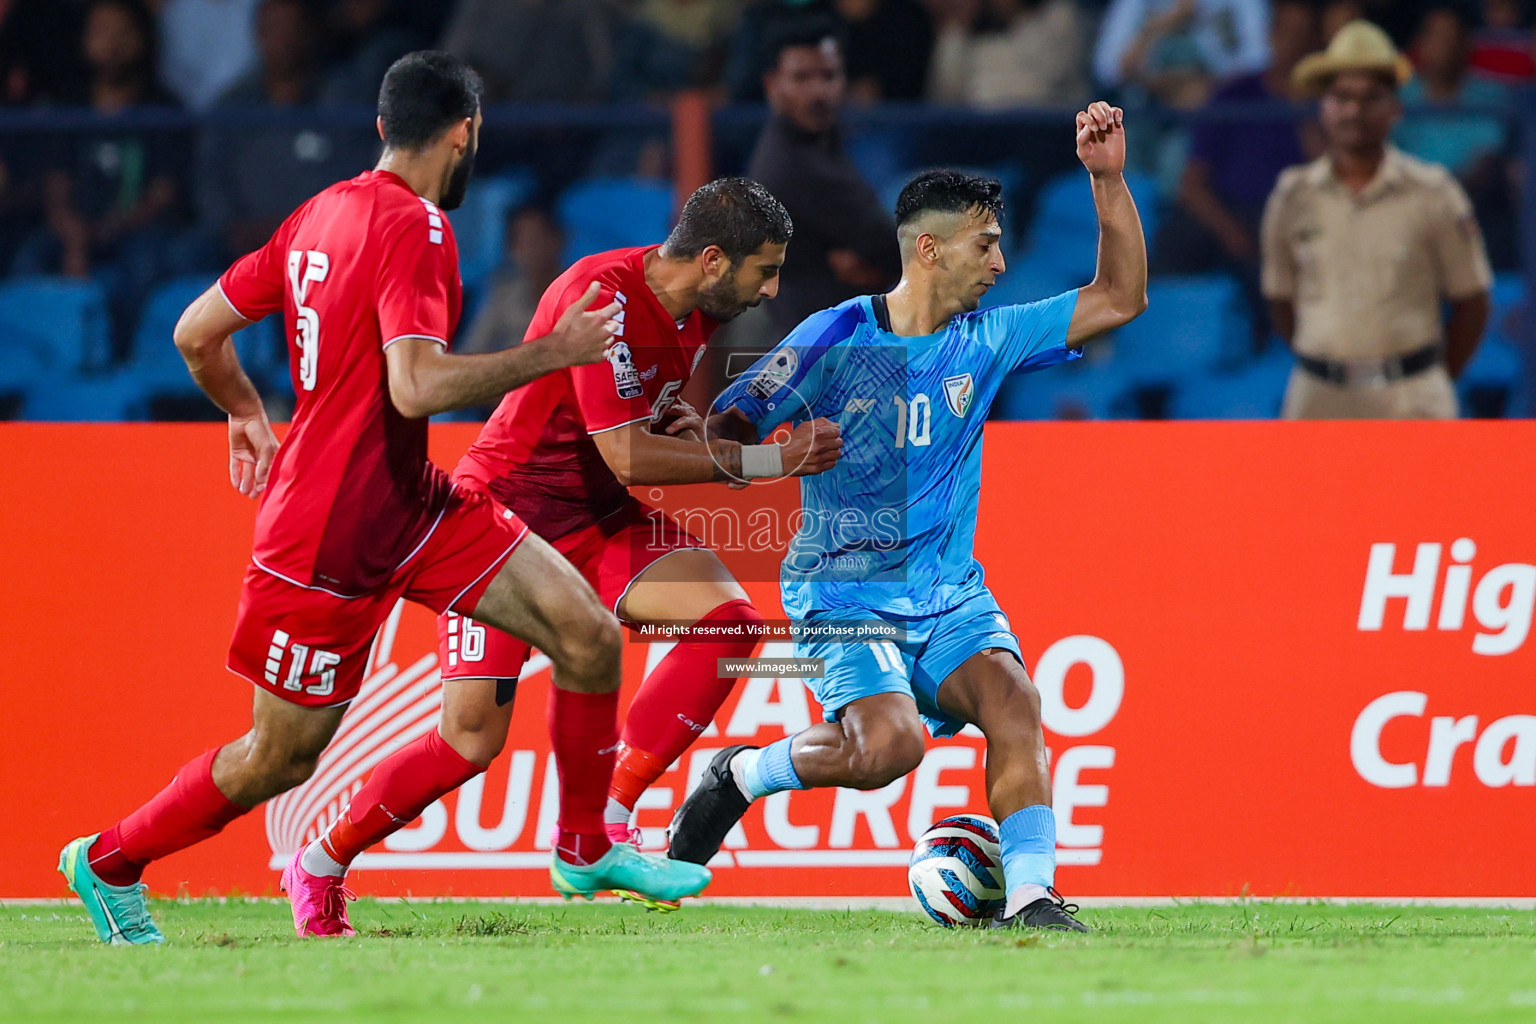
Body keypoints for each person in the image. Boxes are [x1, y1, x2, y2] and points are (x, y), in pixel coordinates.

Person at [56, 51, 710, 946]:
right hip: (327, 536)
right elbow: (417, 386)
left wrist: (245, 410)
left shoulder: (317, 212)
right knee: (277, 759)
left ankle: (586, 843)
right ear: (465, 132)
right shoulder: (420, 227)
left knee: (588, 636)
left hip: (416, 505)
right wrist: (555, 352)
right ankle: (108, 861)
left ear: (379, 129)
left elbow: (195, 330)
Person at [297, 178, 843, 915]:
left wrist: (680, 421)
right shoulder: (602, 297)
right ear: (714, 260)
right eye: (764, 269)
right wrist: (770, 461)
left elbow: (637, 429)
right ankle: (319, 863)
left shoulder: (697, 310)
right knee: (467, 743)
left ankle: (606, 823)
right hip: (501, 527)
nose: (771, 287)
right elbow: (628, 455)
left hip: (600, 518)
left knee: (731, 624)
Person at [673, 102, 1149, 932]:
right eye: (986, 244)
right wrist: (772, 460)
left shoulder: (991, 338)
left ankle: (1034, 897)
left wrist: (1106, 179)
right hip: (847, 594)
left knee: (1015, 702)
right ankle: (741, 776)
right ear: (929, 248)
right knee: (890, 750)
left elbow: (1121, 296)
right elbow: (728, 430)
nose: (1001, 263)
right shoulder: (833, 338)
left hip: (949, 595)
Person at [1262, 20, 1493, 418]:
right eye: (1342, 96)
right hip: (1318, 396)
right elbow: (1281, 298)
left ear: (1395, 107)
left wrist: (1432, 375)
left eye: (1371, 97)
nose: (1355, 110)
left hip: (1413, 397)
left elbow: (1472, 300)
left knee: (1426, 484)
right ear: (1323, 106)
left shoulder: (1433, 192)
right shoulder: (1292, 195)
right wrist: (1326, 357)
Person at [13, 0, 188, 358]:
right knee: (29, 259)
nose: (112, 44)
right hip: (76, 228)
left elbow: (163, 193)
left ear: (143, 39)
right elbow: (56, 184)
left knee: (145, 264)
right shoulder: (69, 107)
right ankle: (31, 366)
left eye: (122, 32)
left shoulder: (164, 107)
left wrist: (114, 228)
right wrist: (75, 237)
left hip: (136, 230)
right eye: (101, 32)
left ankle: (124, 359)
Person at [1152, 0, 1320, 340]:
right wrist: (1231, 233)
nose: (1294, 44)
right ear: (1271, 36)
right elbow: (1193, 183)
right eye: (1287, 33)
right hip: (1225, 212)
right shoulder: (1234, 93)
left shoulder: (1325, 105)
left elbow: (1328, 172)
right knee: (1172, 241)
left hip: (1287, 216)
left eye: (1303, 35)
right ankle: (1142, 343)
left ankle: (1269, 346)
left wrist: (1301, 106)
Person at [746, 17, 900, 344]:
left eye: (829, 76)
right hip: (825, 352)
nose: (819, 92)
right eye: (801, 77)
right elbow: (897, 254)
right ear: (773, 85)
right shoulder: (795, 166)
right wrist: (880, 271)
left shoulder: (819, 143)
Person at [927, 0, 1091, 109]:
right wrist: (961, 23)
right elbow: (944, 94)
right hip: (978, 136)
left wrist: (1016, 13)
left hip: (1046, 131)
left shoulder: (1059, 15)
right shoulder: (965, 33)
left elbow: (1053, 75)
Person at [458, 205, 567, 356]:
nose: (529, 249)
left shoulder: (581, 292)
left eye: (536, 239)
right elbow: (473, 349)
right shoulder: (502, 293)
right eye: (520, 241)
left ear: (558, 239)